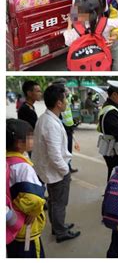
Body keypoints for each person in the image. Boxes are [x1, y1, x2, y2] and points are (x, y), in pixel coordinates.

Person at [31, 84, 81, 242]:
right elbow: (55, 155)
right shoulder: (50, 123)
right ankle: (60, 231)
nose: (66, 101)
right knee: (59, 202)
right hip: (56, 171)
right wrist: (65, 170)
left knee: (54, 201)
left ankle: (57, 226)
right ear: (59, 103)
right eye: (65, 98)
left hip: (50, 170)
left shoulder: (47, 118)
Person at [6, 119, 47, 257]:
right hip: (26, 229)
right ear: (19, 143)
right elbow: (34, 199)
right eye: (30, 137)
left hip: (10, 227)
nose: (33, 139)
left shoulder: (7, 161)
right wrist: (35, 210)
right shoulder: (23, 167)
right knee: (30, 253)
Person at [64, 0, 118, 70]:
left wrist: (70, 24)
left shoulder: (77, 29)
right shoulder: (105, 23)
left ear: (79, 14)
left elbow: (68, 41)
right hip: (101, 62)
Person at [52, 79, 80, 174]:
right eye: (63, 86)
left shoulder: (65, 96)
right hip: (62, 125)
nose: (66, 88)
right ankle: (65, 169)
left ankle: (68, 166)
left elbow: (70, 97)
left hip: (69, 125)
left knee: (68, 149)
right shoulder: (56, 99)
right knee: (63, 149)